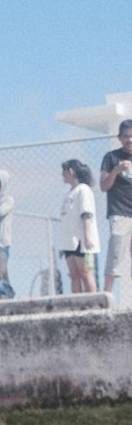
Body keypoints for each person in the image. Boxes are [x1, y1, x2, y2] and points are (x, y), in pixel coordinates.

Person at [58, 158, 99, 294]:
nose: (62, 175)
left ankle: (93, 304)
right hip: (69, 241)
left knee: (85, 273)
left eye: (64, 171)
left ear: (71, 171)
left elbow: (86, 214)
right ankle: (77, 305)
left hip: (81, 241)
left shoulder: (83, 190)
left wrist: (87, 237)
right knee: (74, 275)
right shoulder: (69, 193)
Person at [101, 123, 132, 300]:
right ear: (120, 138)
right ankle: (107, 295)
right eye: (126, 136)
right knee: (115, 252)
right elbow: (104, 186)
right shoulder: (111, 157)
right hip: (120, 212)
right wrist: (116, 171)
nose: (130, 139)